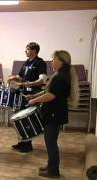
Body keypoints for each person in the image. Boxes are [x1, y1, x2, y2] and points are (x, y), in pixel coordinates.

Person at [28, 50, 79, 178]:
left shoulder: (61, 77)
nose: (51, 62)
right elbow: (48, 91)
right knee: (50, 142)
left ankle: (54, 171)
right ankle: (51, 165)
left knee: (51, 143)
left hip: (54, 114)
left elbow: (51, 95)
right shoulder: (60, 74)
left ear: (61, 61)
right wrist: (34, 95)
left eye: (53, 59)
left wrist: (34, 100)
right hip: (54, 113)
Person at [7, 42, 47, 153]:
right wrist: (13, 77)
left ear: (34, 51)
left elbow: (42, 79)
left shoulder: (40, 63)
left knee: (27, 119)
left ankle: (27, 145)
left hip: (33, 94)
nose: (25, 51)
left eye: (27, 49)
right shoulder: (26, 62)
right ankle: (22, 142)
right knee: (20, 118)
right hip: (23, 94)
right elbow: (20, 77)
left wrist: (31, 84)